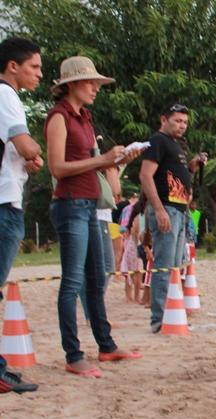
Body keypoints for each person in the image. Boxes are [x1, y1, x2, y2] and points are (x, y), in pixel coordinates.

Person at [46, 56, 142, 376]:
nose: (96, 88)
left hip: (89, 203)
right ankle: (73, 355)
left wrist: (118, 159)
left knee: (96, 277)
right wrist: (101, 159)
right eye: (91, 83)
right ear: (71, 84)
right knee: (73, 280)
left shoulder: (85, 118)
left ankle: (106, 346)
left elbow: (93, 163)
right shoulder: (59, 117)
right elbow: (57, 168)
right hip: (71, 203)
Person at [139, 103, 207, 333]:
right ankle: (159, 320)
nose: (182, 126)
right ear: (164, 119)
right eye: (177, 120)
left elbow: (178, 177)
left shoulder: (176, 145)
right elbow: (146, 175)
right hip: (166, 208)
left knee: (175, 266)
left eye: (185, 122)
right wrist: (158, 210)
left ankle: (171, 313)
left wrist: (193, 167)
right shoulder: (157, 141)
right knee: (164, 266)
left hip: (179, 209)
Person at [0, 37, 42, 393]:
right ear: (12, 66)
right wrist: (34, 152)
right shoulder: (6, 95)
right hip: (3, 203)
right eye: (35, 66)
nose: (39, 74)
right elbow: (25, 144)